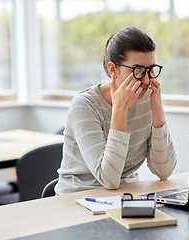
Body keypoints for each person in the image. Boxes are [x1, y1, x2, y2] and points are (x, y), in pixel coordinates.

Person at [55, 27, 177, 195]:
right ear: (113, 69)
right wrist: (120, 111)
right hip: (79, 197)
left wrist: (158, 112)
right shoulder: (84, 105)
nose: (147, 80)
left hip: (126, 195)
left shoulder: (146, 99)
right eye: (138, 71)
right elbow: (108, 179)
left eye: (150, 70)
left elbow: (164, 171)